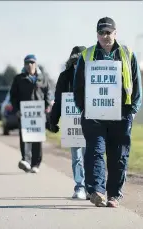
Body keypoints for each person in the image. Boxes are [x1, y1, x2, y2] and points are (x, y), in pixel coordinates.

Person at [73, 17, 142, 207]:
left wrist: (132, 111)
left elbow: (136, 86)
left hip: (121, 115)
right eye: (101, 32)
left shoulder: (128, 54)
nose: (105, 36)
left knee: (118, 155)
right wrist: (83, 109)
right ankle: (97, 191)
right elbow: (77, 87)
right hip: (94, 115)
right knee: (95, 152)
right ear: (97, 34)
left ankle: (114, 195)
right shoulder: (86, 55)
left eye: (108, 32)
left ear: (115, 33)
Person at [48, 46, 88, 199]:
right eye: (74, 60)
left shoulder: (92, 74)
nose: (77, 63)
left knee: (90, 155)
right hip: (72, 123)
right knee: (77, 156)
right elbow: (58, 100)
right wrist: (53, 120)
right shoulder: (65, 76)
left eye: (80, 60)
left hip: (91, 122)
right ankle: (80, 186)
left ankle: (91, 187)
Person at [10, 54, 52, 173]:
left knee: (37, 139)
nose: (30, 65)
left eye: (32, 62)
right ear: (24, 65)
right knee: (25, 138)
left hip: (39, 113)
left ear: (36, 64)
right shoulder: (19, 78)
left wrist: (48, 106)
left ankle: (35, 164)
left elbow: (48, 92)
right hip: (24, 114)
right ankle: (26, 161)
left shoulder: (43, 78)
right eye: (27, 63)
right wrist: (16, 110)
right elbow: (13, 96)